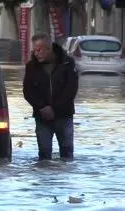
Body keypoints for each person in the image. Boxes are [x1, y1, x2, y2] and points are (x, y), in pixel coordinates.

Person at [23, 32, 79, 161]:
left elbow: (71, 89)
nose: (36, 53)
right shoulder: (31, 66)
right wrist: (43, 107)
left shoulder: (67, 63)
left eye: (39, 50)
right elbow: (28, 91)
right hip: (42, 117)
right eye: (34, 50)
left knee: (67, 154)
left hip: (64, 115)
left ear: (49, 49)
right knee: (44, 154)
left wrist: (54, 108)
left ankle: (62, 180)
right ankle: (45, 180)